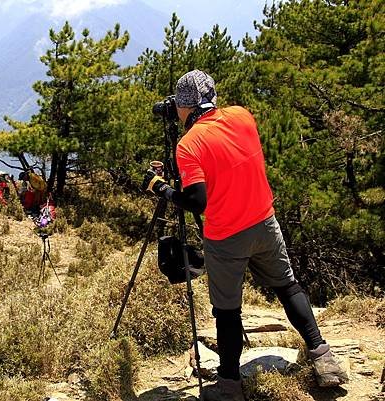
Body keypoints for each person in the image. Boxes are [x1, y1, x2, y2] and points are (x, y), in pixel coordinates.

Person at [142, 70, 348, 400]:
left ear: (184, 106)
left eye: (178, 107)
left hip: (226, 235)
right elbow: (223, 164)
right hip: (264, 221)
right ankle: (323, 358)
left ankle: (228, 386)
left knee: (227, 311)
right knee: (287, 286)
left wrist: (162, 188)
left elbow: (197, 201)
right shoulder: (242, 116)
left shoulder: (188, 144)